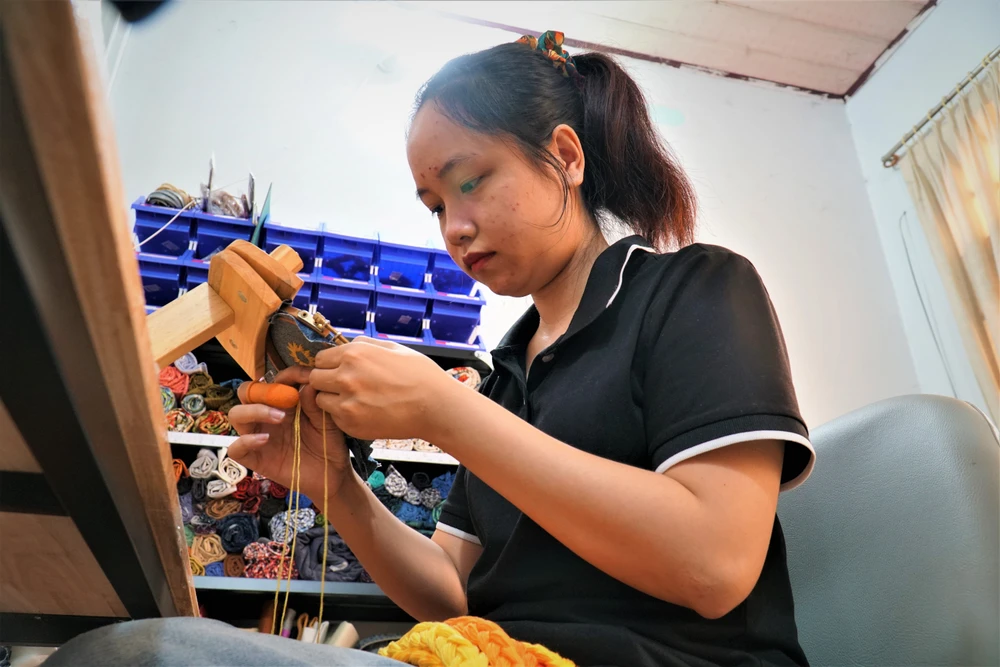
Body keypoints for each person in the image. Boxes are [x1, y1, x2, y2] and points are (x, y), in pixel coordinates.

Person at [47, 32, 815, 667]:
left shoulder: (696, 290)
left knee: (135, 656)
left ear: (566, 157)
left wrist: (446, 411)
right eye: (435, 205)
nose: (453, 228)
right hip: (498, 652)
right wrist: (337, 486)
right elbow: (450, 589)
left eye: (471, 181)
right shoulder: (507, 375)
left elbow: (714, 564)